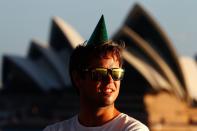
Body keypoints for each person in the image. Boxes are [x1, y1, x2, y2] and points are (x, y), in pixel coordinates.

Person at [43, 15, 149, 131]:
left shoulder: (132, 129)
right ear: (78, 78)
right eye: (100, 72)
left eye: (116, 73)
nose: (110, 80)